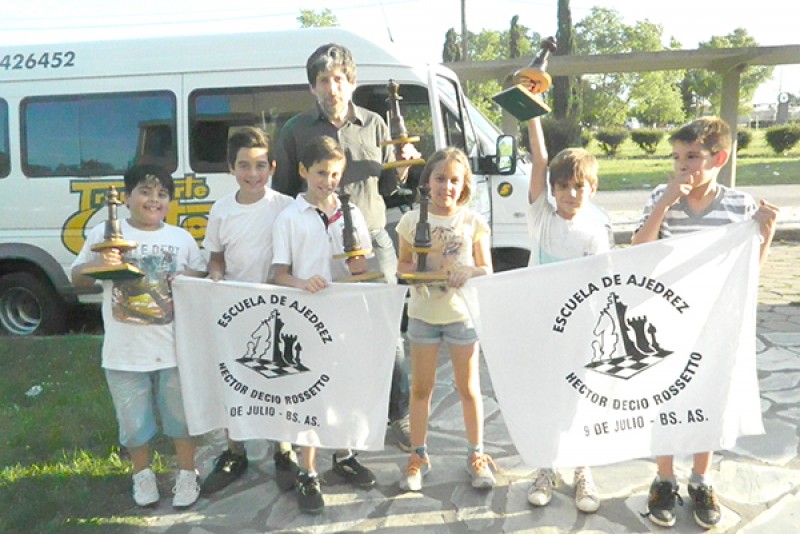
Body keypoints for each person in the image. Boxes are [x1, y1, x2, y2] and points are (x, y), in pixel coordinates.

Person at [631, 116, 778, 529]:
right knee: (664, 396)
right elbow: (639, 249)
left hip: (715, 322)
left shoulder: (738, 205)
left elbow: (748, 269)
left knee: (708, 397)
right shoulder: (662, 196)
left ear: (719, 158)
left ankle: (700, 478)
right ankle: (664, 478)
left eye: (693, 157)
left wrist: (766, 233)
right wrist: (664, 204)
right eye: (677, 157)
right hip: (666, 319)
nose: (683, 166)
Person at [272, 42, 417, 453]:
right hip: (317, 242)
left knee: (388, 332)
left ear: (352, 82)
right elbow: (284, 191)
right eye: (323, 80)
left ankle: (398, 416)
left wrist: (403, 166)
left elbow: (388, 186)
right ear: (312, 87)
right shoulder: (295, 130)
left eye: (338, 79)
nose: (331, 88)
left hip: (372, 241)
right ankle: (329, 414)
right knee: (320, 331)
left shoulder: (376, 124)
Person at [71, 164, 207, 508]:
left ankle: (187, 473)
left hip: (174, 351)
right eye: (145, 192)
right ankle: (142, 475)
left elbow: (200, 278)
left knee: (181, 419)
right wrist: (101, 264)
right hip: (124, 353)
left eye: (162, 194)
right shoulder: (105, 233)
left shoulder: (180, 238)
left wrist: (186, 277)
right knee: (133, 425)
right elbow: (78, 278)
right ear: (127, 197)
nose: (153, 200)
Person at [270, 135, 377, 514]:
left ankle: (344, 455)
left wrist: (359, 266)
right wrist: (302, 284)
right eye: (320, 173)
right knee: (309, 395)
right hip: (305, 320)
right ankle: (308, 471)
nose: (328, 181)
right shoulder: (289, 218)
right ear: (303, 171)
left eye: (334, 174)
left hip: (344, 315)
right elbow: (279, 274)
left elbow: (361, 264)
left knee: (343, 389)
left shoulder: (352, 213)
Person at [198, 126, 294, 496]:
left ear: (272, 167)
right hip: (235, 310)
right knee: (234, 379)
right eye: (244, 166)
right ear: (230, 168)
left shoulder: (285, 206)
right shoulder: (221, 210)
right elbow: (216, 258)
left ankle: (283, 449)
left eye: (260, 165)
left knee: (279, 379)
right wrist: (216, 279)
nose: (253, 174)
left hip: (278, 307)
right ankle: (234, 451)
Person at [523, 115, 611, 514]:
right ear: (552, 189)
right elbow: (540, 160)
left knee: (579, 398)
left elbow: (601, 283)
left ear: (592, 189)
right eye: (563, 186)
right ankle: (546, 467)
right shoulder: (541, 217)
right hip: (542, 328)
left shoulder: (595, 230)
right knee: (547, 396)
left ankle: (582, 469)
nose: (571, 194)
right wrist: (532, 115)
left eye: (579, 186)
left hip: (580, 330)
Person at [396, 147, 496, 492]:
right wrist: (425, 270)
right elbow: (402, 265)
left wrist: (469, 270)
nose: (446, 187)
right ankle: (418, 455)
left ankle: (476, 455)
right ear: (428, 182)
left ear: (464, 184)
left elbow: (486, 268)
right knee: (421, 389)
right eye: (440, 179)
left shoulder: (473, 221)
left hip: (461, 316)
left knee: (468, 389)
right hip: (423, 316)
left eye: (454, 180)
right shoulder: (411, 221)